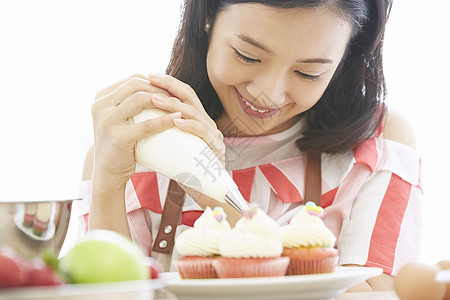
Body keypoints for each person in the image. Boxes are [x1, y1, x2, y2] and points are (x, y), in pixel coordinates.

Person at [80, 0, 422, 292]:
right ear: (208, 18)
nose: (269, 94)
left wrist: (215, 189)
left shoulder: (378, 143)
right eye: (248, 56)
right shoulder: (138, 140)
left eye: (308, 73)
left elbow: (375, 296)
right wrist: (107, 184)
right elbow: (105, 292)